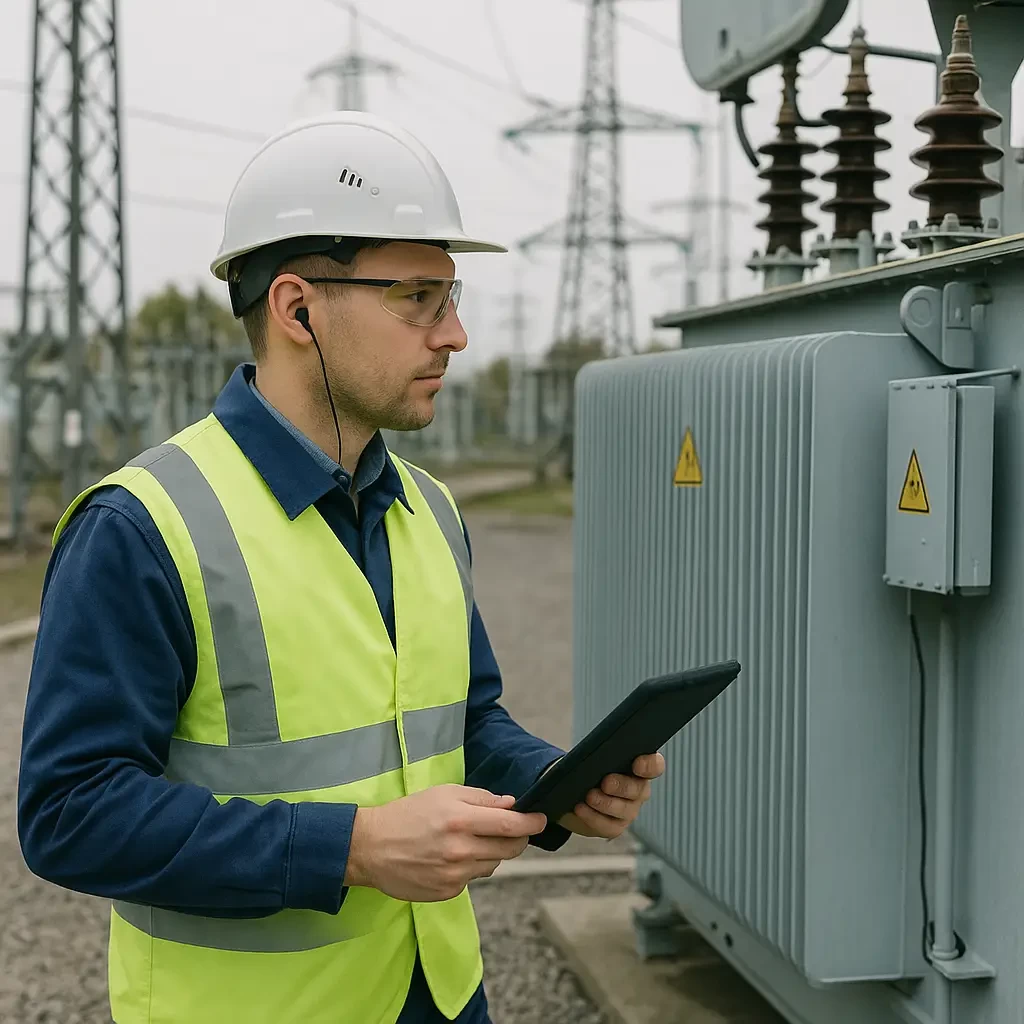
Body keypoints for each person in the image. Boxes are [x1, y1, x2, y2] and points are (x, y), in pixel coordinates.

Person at [17, 111, 665, 1024]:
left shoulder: (431, 509)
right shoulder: (142, 527)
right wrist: (351, 848)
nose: (455, 336)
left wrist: (550, 780)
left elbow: (461, 720)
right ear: (296, 309)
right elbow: (70, 814)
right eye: (418, 299)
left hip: (439, 996)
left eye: (452, 296)